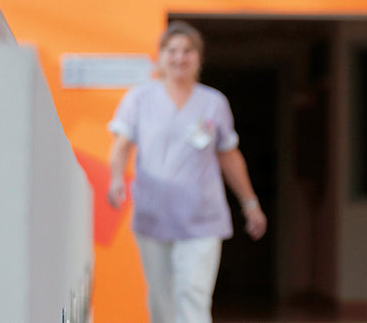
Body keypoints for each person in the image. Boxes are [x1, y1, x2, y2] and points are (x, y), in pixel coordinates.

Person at [106, 21, 268, 323]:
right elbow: (121, 145)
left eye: (188, 51)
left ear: (198, 58)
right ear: (160, 57)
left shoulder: (214, 102)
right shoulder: (139, 99)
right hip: (154, 216)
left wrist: (250, 204)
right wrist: (116, 179)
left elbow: (230, 158)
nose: (180, 58)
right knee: (161, 299)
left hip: (202, 218)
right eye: (172, 51)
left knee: (192, 294)